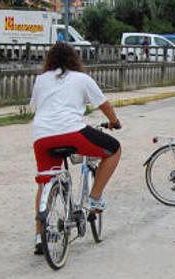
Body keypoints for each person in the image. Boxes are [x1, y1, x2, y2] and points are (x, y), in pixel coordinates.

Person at [29, 42, 122, 255]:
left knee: (45, 184)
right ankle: (95, 197)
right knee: (114, 149)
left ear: (50, 60)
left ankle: (39, 237)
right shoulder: (82, 79)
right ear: (74, 59)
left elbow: (35, 106)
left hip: (42, 137)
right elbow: (104, 105)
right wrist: (114, 121)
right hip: (72, 132)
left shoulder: (41, 79)